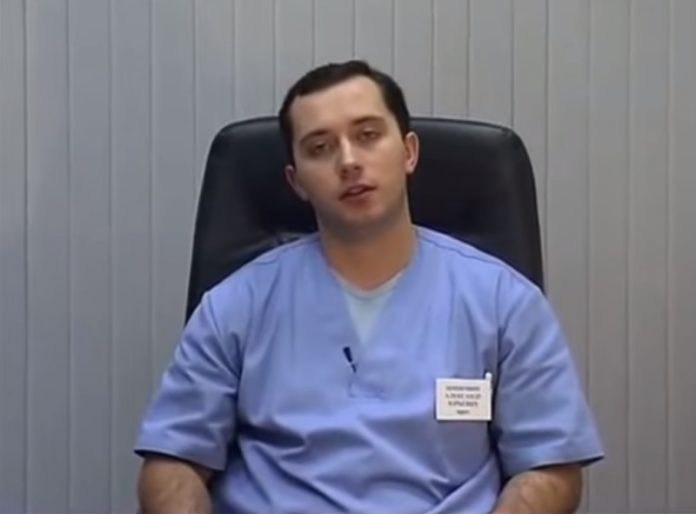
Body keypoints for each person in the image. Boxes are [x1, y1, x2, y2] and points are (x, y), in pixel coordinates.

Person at [134, 60, 604, 514]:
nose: (348, 161)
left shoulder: (506, 303)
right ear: (297, 182)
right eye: (320, 147)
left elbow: (551, 468)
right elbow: (173, 462)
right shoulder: (234, 306)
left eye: (367, 135)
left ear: (409, 152)